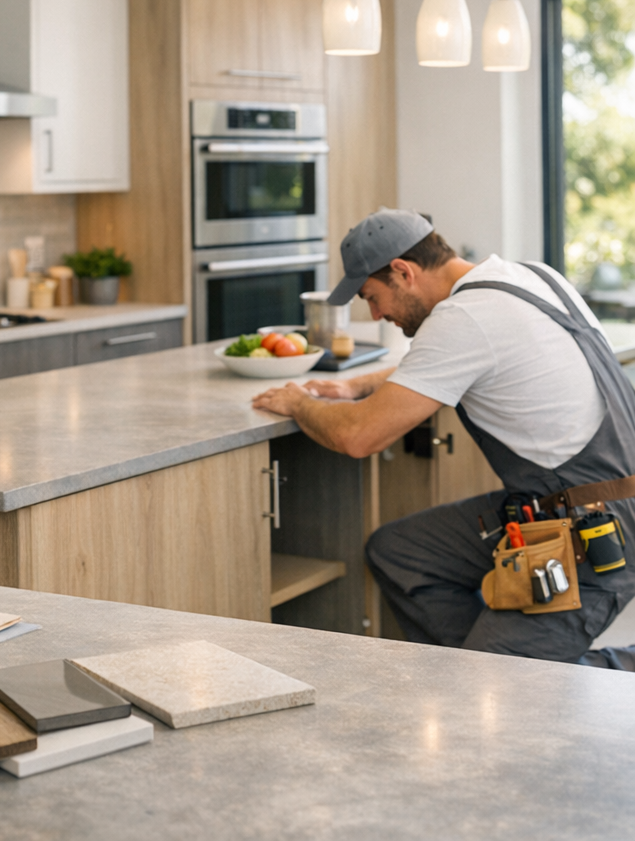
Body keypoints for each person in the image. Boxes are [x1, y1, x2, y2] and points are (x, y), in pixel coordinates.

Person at [252, 208, 635, 669]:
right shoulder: (532, 277)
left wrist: (298, 402)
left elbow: (359, 436)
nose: (376, 314)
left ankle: (510, 677)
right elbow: (457, 359)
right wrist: (357, 385)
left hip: (594, 534)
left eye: (373, 297)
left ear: (403, 272)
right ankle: (483, 669)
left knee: (503, 687)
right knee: (402, 553)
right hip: (576, 502)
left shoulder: (463, 318)